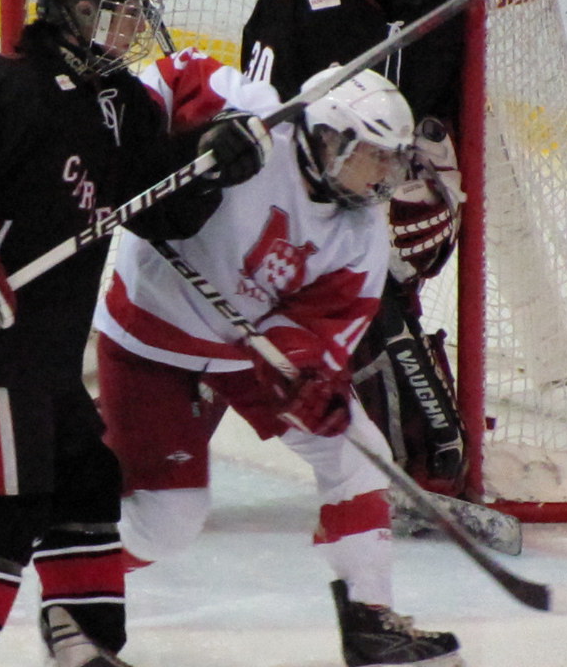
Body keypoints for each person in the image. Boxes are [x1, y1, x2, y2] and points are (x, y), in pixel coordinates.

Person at [0, 0, 267, 667]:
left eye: (132, 13)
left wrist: (214, 159)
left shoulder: (122, 105)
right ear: (64, 9)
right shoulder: (0, 84)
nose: (125, 29)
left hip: (45, 339)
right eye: (108, 12)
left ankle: (88, 649)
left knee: (87, 482)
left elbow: (163, 209)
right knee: (6, 505)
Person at [94, 53, 463, 667]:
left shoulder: (361, 228)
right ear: (328, 136)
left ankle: (370, 623)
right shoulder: (251, 118)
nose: (385, 175)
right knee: (169, 522)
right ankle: (72, 575)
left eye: (393, 160)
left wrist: (309, 374)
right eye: (375, 154)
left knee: (356, 453)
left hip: (249, 347)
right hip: (155, 338)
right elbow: (165, 80)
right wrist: (144, 153)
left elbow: (328, 324)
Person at [241, 0, 469, 497]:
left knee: (381, 314)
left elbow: (449, 110)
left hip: (383, 187)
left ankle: (409, 448)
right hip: (306, 208)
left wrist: (430, 184)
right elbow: (264, 118)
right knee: (250, 337)